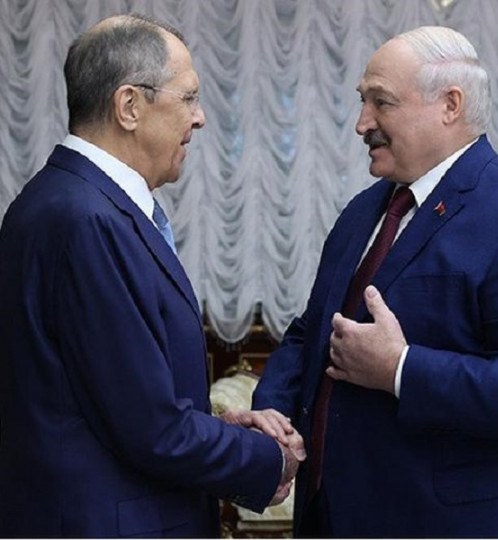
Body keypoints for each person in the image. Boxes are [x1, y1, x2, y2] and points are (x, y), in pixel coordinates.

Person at [0, 13, 304, 538]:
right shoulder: (85, 221)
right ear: (129, 107)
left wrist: (216, 426)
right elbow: (149, 429)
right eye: (188, 98)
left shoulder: (74, 203)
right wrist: (268, 459)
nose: (200, 118)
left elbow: (109, 399)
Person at [252, 25, 498, 538]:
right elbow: (315, 329)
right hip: (329, 517)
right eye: (362, 101)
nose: (362, 123)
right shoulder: (364, 211)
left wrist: (401, 369)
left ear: (450, 105)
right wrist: (272, 410)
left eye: (381, 102)